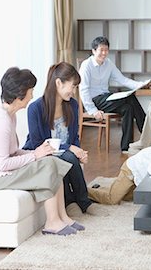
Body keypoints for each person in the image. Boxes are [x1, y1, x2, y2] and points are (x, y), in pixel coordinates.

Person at [0, 67, 83, 236]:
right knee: (48, 165)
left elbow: (13, 152)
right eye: (30, 91)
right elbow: (3, 164)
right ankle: (52, 222)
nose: (31, 96)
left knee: (52, 161)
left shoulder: (9, 115)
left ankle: (62, 217)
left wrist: (37, 152)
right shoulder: (1, 122)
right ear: (19, 94)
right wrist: (34, 155)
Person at [23, 62, 103, 217]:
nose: (74, 92)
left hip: (65, 155)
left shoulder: (72, 105)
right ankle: (80, 202)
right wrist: (70, 148)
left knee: (68, 157)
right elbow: (37, 143)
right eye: (72, 86)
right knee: (66, 156)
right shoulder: (35, 108)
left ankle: (74, 202)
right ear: (58, 83)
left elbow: (74, 137)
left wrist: (80, 152)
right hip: (41, 154)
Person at [79, 36, 151, 153]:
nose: (104, 53)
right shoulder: (86, 66)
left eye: (106, 50)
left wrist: (141, 84)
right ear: (93, 51)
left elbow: (122, 80)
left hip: (106, 98)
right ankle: (146, 134)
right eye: (101, 50)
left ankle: (126, 147)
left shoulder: (108, 63)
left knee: (127, 108)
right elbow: (83, 90)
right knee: (130, 98)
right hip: (95, 101)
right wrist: (92, 110)